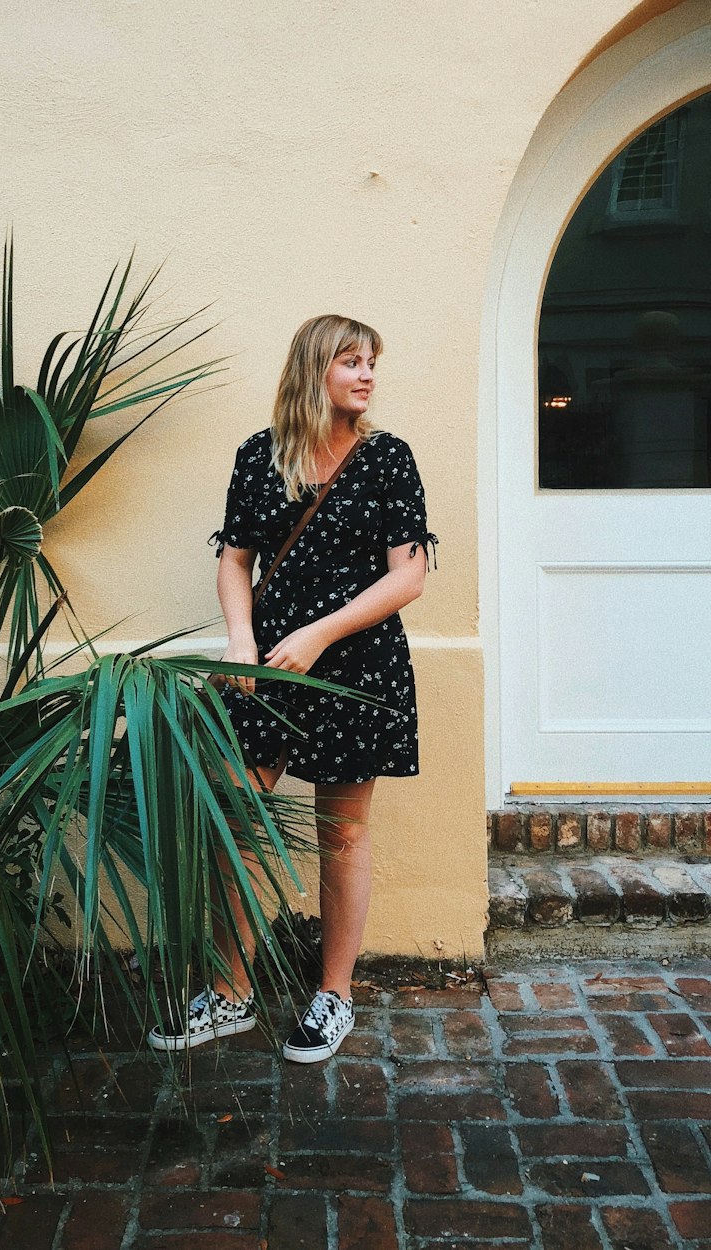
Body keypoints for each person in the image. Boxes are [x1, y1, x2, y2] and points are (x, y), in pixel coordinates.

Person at [149, 314, 435, 1063]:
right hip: (268, 664)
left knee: (342, 833)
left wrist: (321, 633)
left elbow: (409, 573)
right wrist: (242, 642)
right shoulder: (261, 456)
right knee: (235, 820)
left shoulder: (387, 459)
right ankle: (230, 990)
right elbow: (235, 560)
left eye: (372, 361)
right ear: (314, 369)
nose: (368, 374)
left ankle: (332, 994)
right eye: (351, 360)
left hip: (356, 663)